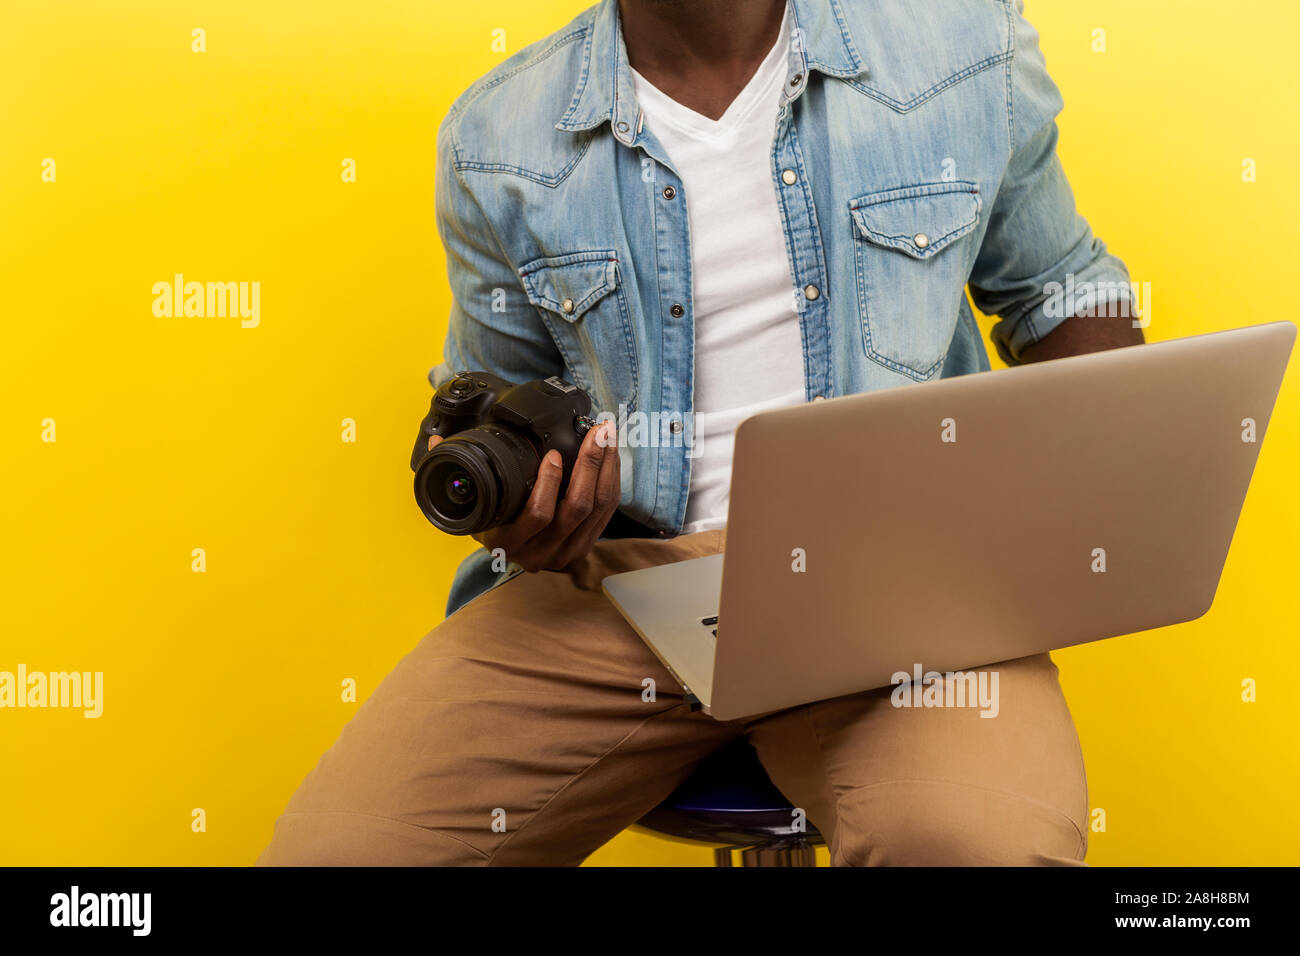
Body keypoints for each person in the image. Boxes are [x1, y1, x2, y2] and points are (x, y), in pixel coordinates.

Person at [260, 0, 1141, 866]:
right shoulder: (496, 136)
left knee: (978, 847)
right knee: (336, 854)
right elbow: (493, 397)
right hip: (618, 585)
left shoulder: (963, 44)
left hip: (905, 579)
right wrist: (522, 510)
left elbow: (1060, 291)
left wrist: (1072, 489)